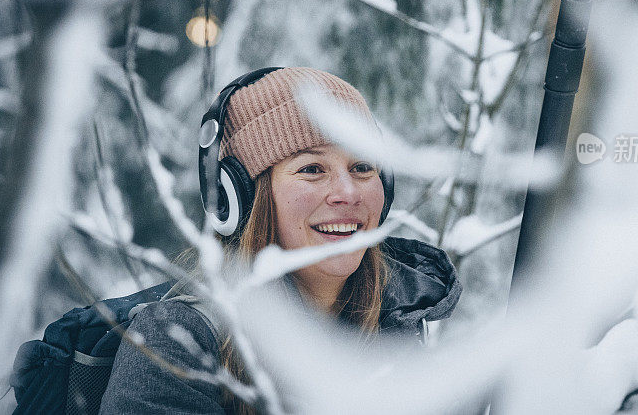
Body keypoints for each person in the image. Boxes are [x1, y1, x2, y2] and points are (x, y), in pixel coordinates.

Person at [99, 67, 462, 414]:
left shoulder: (398, 325)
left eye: (362, 167)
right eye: (312, 169)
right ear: (239, 198)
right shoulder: (175, 342)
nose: (348, 193)